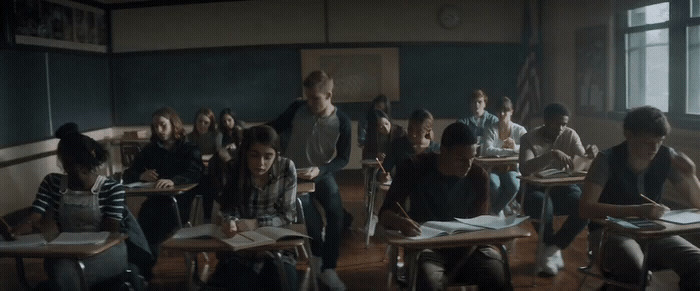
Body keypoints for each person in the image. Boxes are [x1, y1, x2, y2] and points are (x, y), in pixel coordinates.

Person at [378, 122, 512, 291]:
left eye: (472, 158)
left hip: (470, 249)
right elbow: (385, 214)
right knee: (429, 281)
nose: (468, 165)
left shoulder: (478, 175)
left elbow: (481, 225)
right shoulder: (414, 167)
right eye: (461, 159)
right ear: (443, 151)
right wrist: (400, 222)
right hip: (427, 248)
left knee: (497, 275)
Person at [579, 106, 700, 290]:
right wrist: (636, 210)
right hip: (609, 233)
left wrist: (691, 175)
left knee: (697, 262)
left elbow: (697, 204)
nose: (655, 148)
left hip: (653, 233)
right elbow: (585, 208)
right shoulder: (607, 159)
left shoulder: (666, 156)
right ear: (629, 135)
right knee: (635, 269)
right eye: (647, 142)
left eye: (660, 141)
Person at [14, 123, 130, 290]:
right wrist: (21, 228)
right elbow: (35, 217)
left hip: (105, 252)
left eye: (76, 166)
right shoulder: (52, 183)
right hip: (65, 252)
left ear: (88, 161)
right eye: (67, 165)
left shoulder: (112, 189)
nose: (70, 171)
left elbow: (109, 235)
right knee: (62, 269)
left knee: (65, 272)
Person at [268, 70, 351, 290]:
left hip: (320, 173)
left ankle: (329, 269)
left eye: (316, 98)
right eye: (308, 97)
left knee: (336, 215)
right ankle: (317, 256)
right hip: (293, 175)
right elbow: (273, 127)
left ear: (329, 95)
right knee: (310, 219)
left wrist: (321, 170)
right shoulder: (298, 109)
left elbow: (343, 158)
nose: (310, 103)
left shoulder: (342, 121)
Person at [207, 125, 298, 290]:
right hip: (241, 250)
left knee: (285, 284)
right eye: (254, 156)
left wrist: (256, 223)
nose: (261, 163)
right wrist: (230, 222)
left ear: (276, 155)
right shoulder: (235, 168)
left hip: (276, 248)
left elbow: (288, 215)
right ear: (245, 154)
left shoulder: (286, 168)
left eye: (268, 156)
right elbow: (228, 208)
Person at [519, 103, 597, 276]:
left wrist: (590, 156)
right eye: (557, 124)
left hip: (563, 187)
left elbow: (581, 166)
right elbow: (525, 168)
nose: (561, 128)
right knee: (542, 205)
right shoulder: (528, 138)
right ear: (546, 121)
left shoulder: (570, 134)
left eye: (564, 124)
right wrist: (551, 154)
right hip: (535, 187)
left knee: (585, 206)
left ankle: (552, 248)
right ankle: (548, 247)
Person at [123, 107, 203, 257]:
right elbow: (128, 174)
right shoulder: (150, 150)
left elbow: (195, 173)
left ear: (174, 124)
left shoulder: (189, 148)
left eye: (163, 125)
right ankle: (142, 262)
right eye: (155, 126)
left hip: (179, 203)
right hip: (155, 201)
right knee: (140, 223)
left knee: (154, 224)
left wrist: (173, 181)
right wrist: (141, 175)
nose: (159, 130)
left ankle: (146, 260)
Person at [482, 97, 527, 213]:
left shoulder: (519, 130)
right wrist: (510, 151)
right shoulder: (491, 129)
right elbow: (487, 150)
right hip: (494, 168)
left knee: (514, 186)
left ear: (511, 112)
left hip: (511, 168)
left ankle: (495, 211)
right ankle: (504, 208)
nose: (502, 114)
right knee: (493, 185)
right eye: (499, 111)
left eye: (505, 111)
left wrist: (515, 146)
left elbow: (527, 148)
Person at [379, 109, 440, 183]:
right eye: (410, 129)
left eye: (419, 131)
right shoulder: (398, 145)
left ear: (428, 131)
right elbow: (382, 171)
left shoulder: (436, 149)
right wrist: (382, 176)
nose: (413, 134)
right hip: (402, 191)